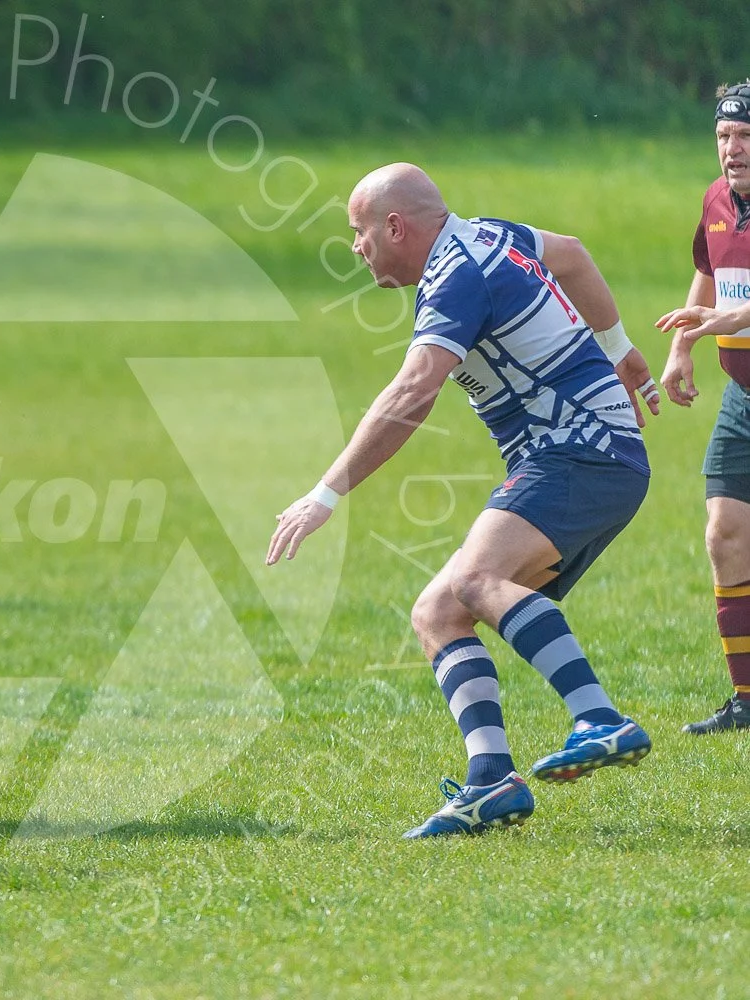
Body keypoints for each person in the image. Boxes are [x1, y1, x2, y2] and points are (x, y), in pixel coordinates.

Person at [266, 163, 660, 839]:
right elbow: (573, 254)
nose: (357, 247)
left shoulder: (456, 275)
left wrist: (325, 495)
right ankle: (492, 782)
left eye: (360, 232)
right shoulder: (491, 235)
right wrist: (619, 351)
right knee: (439, 610)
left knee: (477, 580)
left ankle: (599, 718)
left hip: (582, 453)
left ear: (395, 226)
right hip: (593, 455)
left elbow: (412, 393)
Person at [655, 81, 750, 735]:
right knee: (723, 533)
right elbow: (709, 272)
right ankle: (746, 698)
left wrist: (709, 324)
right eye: (723, 136)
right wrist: (683, 345)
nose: (732, 150)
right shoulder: (717, 202)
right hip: (743, 395)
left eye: (744, 137)